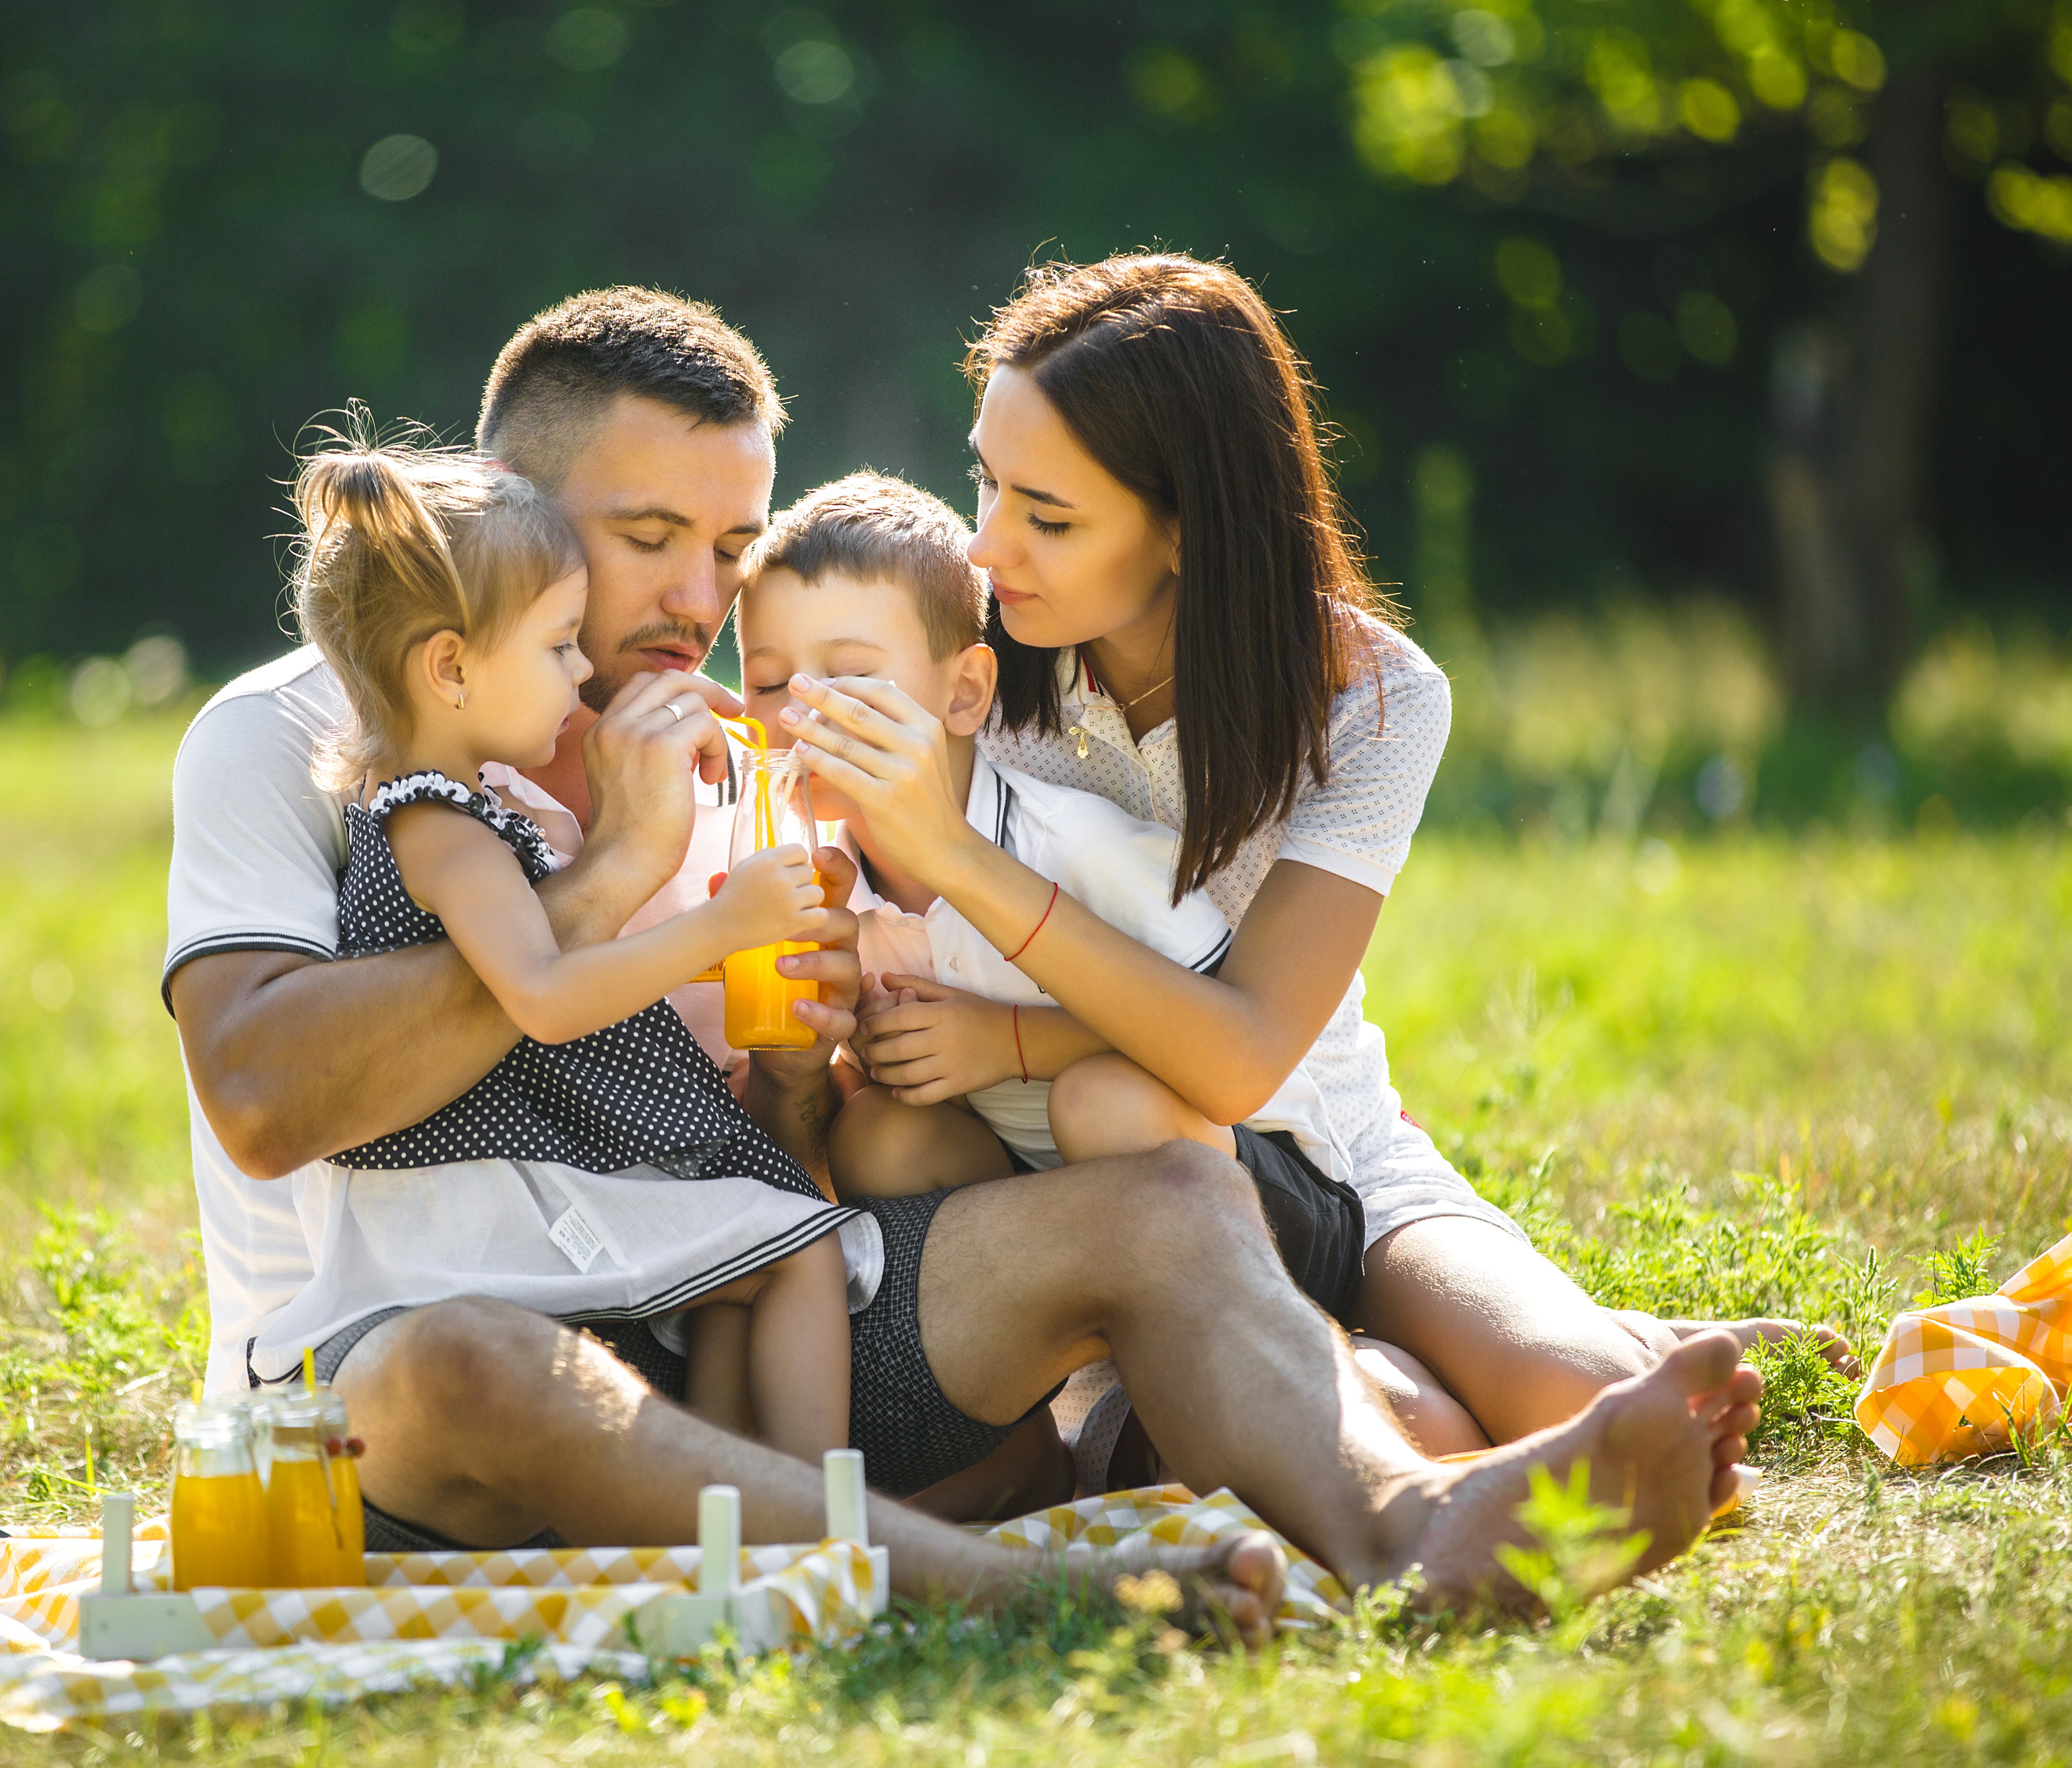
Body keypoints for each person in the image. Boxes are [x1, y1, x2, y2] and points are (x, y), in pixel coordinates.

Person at [165, 285, 1763, 1636]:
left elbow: (788, 1133)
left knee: (1166, 1198)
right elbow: (259, 1094)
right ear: (499, 511)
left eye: (727, 548)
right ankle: (1019, 1592)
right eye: (646, 540)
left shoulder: (741, 749)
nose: (693, 607)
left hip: (738, 1310)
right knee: (472, 1364)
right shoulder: (302, 733)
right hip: (413, 1379)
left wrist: (807, 1066)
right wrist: (613, 889)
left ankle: (1412, 1534)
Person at [777, 253, 1842, 1468]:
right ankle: (1372, 1398)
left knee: (1588, 1404)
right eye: (987, 482)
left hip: (1324, 1158)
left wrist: (959, 862)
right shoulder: (978, 663)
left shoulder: (1372, 700)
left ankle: (1481, 1360)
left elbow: (1241, 1057)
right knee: (1406, 1406)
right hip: (1069, 1176)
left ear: (1186, 526)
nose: (985, 546)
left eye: (1047, 516)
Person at [283, 433, 856, 1466]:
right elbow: (543, 997)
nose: (584, 667)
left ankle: (722, 1511)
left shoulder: (457, 809)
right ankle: (819, 1517)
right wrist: (721, 932)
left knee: (738, 1273)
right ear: (451, 668)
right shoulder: (443, 824)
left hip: (509, 1184)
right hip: (488, 1199)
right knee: (801, 1246)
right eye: (556, 648)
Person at [733, 471, 1363, 1322]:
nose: (800, 714)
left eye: (848, 677)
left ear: (963, 695)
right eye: (768, 684)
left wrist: (1010, 1042)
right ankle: (1040, 1393)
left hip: (1268, 1201)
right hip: (1053, 1208)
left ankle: (1235, 1358)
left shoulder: (1078, 848)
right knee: (879, 1137)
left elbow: (1220, 1033)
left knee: (1099, 1103)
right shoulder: (825, 892)